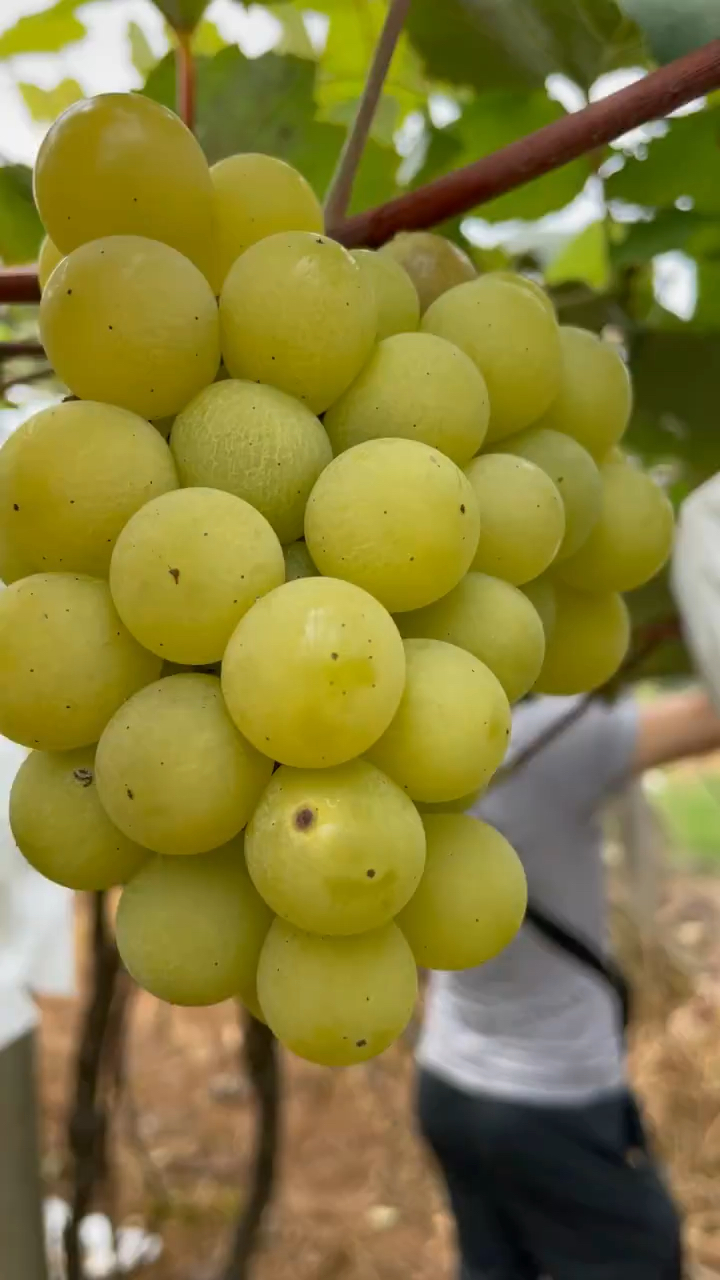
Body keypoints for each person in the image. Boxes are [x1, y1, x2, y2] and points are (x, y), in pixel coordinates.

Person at [417, 686, 720, 1280]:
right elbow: (708, 718)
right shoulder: (549, 739)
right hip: (554, 1102)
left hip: (446, 1081)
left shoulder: (409, 775)